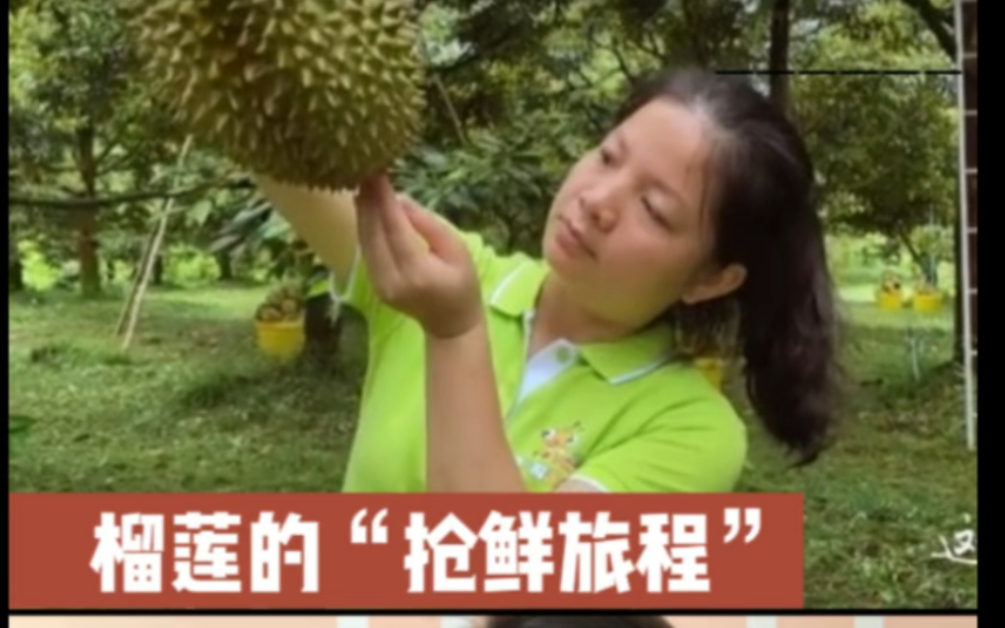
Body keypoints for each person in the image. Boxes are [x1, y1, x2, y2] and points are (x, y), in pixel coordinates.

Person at [256, 67, 841, 493]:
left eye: (655, 210)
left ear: (712, 279)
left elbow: (511, 583)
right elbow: (266, 140)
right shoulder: (458, 271)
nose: (597, 201)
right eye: (608, 157)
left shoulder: (690, 430)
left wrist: (455, 331)